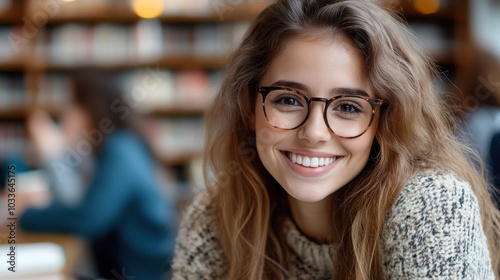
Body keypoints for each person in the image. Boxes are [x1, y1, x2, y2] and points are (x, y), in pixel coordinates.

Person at [171, 0, 500, 279]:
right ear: (249, 107)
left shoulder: (431, 205)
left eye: (348, 107)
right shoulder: (215, 216)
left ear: (385, 122)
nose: (314, 133)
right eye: (288, 99)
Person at [18, 69, 177, 279]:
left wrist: (23, 215)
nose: (65, 115)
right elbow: (78, 202)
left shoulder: (121, 150)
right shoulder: (115, 147)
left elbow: (87, 218)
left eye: (71, 106)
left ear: (89, 109)